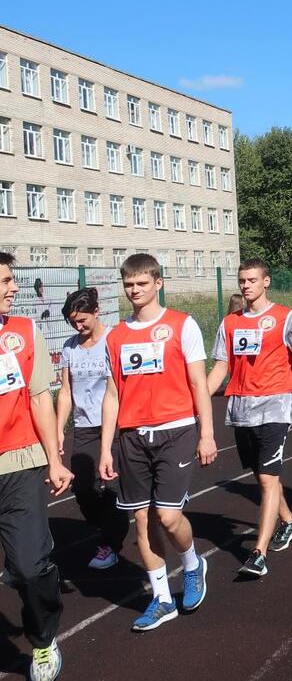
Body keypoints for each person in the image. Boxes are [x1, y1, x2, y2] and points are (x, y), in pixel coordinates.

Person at [99, 253, 215, 632]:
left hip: (176, 430)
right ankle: (162, 599)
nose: (135, 291)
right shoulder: (115, 336)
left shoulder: (182, 325)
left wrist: (207, 433)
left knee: (167, 516)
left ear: (158, 284)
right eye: (129, 285)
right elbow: (113, 394)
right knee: (142, 520)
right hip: (132, 437)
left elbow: (199, 383)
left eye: (142, 284)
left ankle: (193, 563)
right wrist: (105, 448)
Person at [205, 259, 292, 577]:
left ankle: (258, 553)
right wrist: (198, 401)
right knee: (261, 475)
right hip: (241, 410)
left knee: (268, 479)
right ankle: (289, 521)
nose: (246, 285)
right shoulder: (229, 323)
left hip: (276, 405)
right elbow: (220, 367)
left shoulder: (285, 318)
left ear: (266, 282)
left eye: (252, 280)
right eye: (242, 280)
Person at [0, 254, 71, 679]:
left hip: (20, 463)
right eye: (5, 281)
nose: (13, 288)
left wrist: (55, 460)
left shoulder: (24, 332)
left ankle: (43, 640)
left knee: (28, 566)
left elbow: (40, 397)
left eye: (11, 279)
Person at [57, 288, 126, 573]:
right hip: (85, 427)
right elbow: (65, 391)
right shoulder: (70, 348)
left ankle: (109, 543)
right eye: (73, 322)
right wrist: (59, 429)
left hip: (117, 425)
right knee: (83, 487)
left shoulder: (114, 340)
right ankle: (107, 527)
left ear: (97, 312)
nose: (79, 326)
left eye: (83, 320)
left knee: (110, 486)